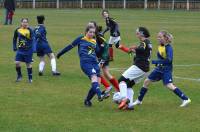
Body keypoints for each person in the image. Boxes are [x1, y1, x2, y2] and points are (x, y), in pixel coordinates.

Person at [133, 30, 191, 107]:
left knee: (169, 85)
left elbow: (169, 60)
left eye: (160, 37)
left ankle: (186, 99)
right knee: (147, 81)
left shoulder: (169, 48)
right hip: (159, 69)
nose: (158, 38)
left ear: (165, 38)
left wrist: (157, 61)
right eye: (157, 37)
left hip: (166, 70)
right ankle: (139, 100)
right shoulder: (161, 46)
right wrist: (158, 63)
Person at [56, 25, 104, 107]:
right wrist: (60, 53)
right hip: (86, 63)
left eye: (93, 32)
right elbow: (70, 46)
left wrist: (102, 47)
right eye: (90, 32)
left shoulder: (94, 41)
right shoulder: (81, 39)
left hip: (94, 63)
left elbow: (98, 53)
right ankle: (100, 95)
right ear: (86, 32)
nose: (92, 34)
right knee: (94, 77)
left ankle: (87, 100)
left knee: (97, 83)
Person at [117, 27, 152, 110]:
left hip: (139, 66)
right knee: (129, 85)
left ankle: (124, 99)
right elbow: (143, 52)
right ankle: (130, 105)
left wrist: (135, 47)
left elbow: (141, 49)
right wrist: (131, 50)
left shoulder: (144, 42)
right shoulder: (148, 42)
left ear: (142, 33)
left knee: (121, 80)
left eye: (137, 32)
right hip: (144, 68)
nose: (136, 33)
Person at [88, 21, 120, 96]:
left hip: (103, 57)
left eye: (92, 26)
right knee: (106, 73)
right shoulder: (90, 35)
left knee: (95, 73)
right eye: (89, 26)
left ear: (95, 28)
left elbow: (106, 47)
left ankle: (108, 87)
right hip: (101, 57)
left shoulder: (99, 36)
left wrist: (102, 59)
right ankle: (118, 89)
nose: (90, 27)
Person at [13, 18, 34, 83]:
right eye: (23, 22)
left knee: (28, 64)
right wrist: (14, 46)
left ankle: (30, 78)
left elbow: (33, 39)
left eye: (26, 22)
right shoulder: (17, 30)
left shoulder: (30, 30)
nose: (25, 23)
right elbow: (14, 38)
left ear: (28, 23)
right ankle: (19, 76)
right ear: (21, 23)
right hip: (20, 49)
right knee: (17, 62)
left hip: (28, 50)